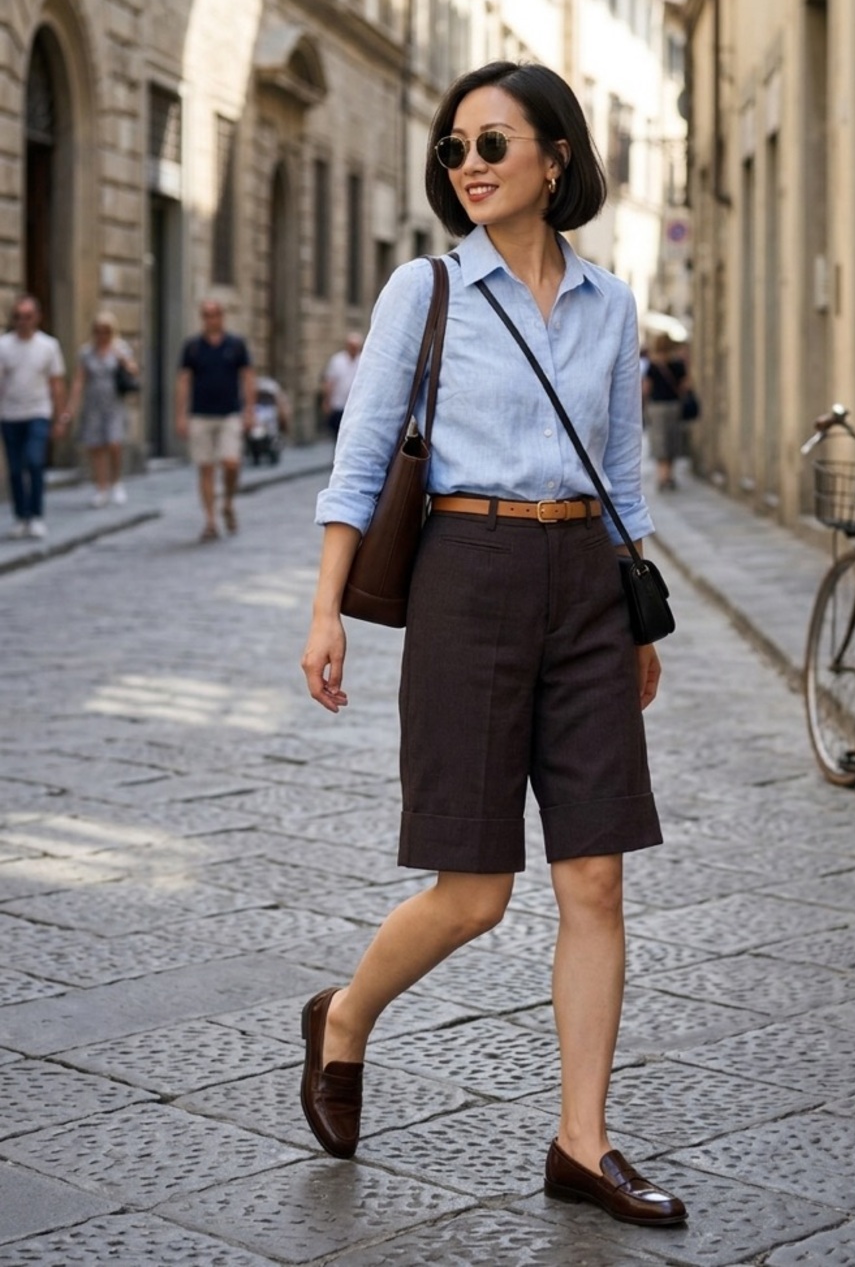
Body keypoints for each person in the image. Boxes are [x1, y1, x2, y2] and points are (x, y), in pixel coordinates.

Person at [299, 60, 687, 1229]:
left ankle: (583, 1141)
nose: (467, 165)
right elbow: (360, 462)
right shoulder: (425, 292)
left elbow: (622, 471)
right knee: (473, 893)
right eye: (455, 148)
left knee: (597, 875)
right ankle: (344, 1018)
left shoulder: (611, 305)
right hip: (464, 577)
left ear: (554, 159)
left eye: (492, 144)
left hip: (584, 580)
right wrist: (326, 610)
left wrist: (633, 610)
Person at [175, 300, 255, 541]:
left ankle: (228, 501)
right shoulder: (193, 347)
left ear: (222, 317)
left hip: (230, 413)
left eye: (215, 315)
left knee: (231, 463)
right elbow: (183, 381)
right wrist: (180, 414)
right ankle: (210, 522)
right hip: (200, 414)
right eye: (206, 315)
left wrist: (249, 410)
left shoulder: (236, 345)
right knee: (206, 468)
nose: (211, 319)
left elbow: (248, 377)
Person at [0, 294, 67, 540]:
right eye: (18, 317)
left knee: (35, 461)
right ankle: (21, 516)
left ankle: (36, 515)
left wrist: (61, 418)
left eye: (27, 316)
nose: (23, 322)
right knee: (15, 469)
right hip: (9, 414)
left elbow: (57, 384)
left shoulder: (48, 346)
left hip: (38, 412)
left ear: (37, 318)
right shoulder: (3, 345)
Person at [66, 310, 138, 507]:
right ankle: (101, 487)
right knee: (96, 446)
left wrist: (122, 358)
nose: (102, 335)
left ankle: (117, 483)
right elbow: (79, 381)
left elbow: (134, 370)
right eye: (98, 331)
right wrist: (71, 407)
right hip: (93, 404)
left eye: (106, 331)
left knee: (114, 443)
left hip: (114, 404)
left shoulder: (120, 348)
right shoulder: (86, 352)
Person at [643, 333, 686, 491]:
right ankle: (670, 475)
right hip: (673, 406)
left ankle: (662, 476)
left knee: (660, 441)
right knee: (672, 440)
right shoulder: (677, 363)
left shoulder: (653, 365)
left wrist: (646, 404)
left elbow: (646, 388)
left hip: (657, 407)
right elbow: (685, 385)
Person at [321, 332, 363, 447]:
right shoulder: (337, 361)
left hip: (356, 406)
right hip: (339, 404)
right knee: (338, 433)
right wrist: (326, 401)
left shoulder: (363, 360)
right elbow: (329, 381)